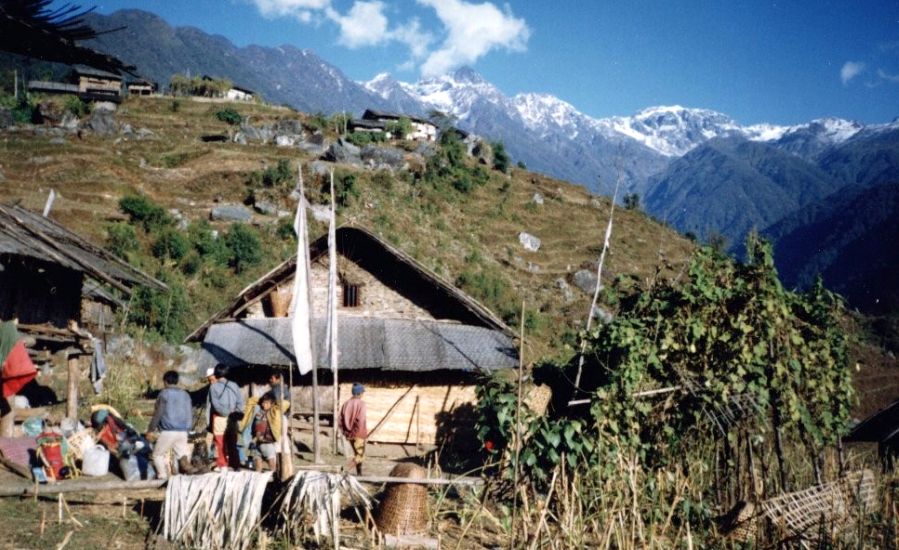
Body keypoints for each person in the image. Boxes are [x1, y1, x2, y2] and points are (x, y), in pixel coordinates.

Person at [147, 370, 193, 478]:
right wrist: (188, 429)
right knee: (182, 456)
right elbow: (190, 412)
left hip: (168, 431)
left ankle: (162, 477)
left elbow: (158, 413)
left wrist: (150, 429)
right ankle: (182, 478)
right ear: (177, 381)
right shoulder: (185, 394)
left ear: (165, 381)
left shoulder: (164, 394)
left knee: (157, 455)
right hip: (183, 431)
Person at [206, 365, 245, 471]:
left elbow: (215, 405)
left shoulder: (213, 387)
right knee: (232, 442)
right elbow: (241, 402)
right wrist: (235, 412)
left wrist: (225, 413)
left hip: (219, 417)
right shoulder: (234, 385)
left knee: (220, 442)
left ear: (216, 374)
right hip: (233, 418)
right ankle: (235, 466)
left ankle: (223, 465)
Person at [240, 392, 283, 473]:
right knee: (257, 467)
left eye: (266, 403)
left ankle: (275, 480)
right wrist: (260, 400)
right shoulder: (259, 412)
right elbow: (251, 400)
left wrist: (275, 403)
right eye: (263, 402)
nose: (263, 404)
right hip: (256, 443)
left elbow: (285, 404)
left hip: (267, 443)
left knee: (272, 466)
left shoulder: (273, 412)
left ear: (272, 404)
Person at [339, 383, 368, 475]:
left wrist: (345, 432)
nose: (363, 394)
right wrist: (361, 433)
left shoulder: (346, 404)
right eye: (362, 392)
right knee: (360, 456)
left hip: (349, 434)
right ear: (359, 393)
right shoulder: (361, 404)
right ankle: (343, 469)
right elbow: (361, 420)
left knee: (357, 455)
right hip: (359, 434)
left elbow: (340, 420)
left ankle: (359, 474)